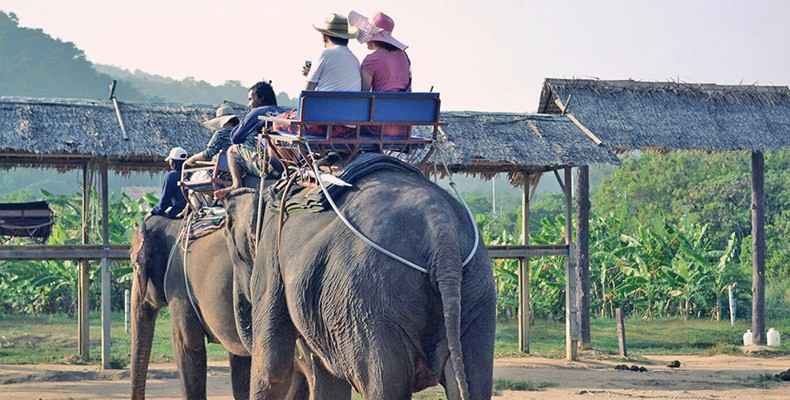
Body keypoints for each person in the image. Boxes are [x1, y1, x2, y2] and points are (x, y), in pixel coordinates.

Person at [214, 81, 288, 199]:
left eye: (250, 99)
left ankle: (236, 184)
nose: (249, 104)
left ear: (261, 98)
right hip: (290, 163)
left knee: (232, 150)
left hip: (271, 165)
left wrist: (246, 120)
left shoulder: (257, 112)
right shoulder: (285, 111)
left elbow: (235, 138)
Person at [349, 11, 411, 92]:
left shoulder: (371, 60)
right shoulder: (404, 56)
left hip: (380, 103)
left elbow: (364, 91)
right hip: (405, 103)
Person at [304, 13, 361, 92]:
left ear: (325, 37)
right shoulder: (355, 60)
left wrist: (309, 76)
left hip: (324, 104)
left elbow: (308, 90)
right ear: (347, 38)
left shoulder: (325, 54)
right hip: (350, 104)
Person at [184, 103, 239, 167]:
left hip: (224, 170)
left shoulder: (221, 134)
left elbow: (208, 154)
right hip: (241, 168)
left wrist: (192, 158)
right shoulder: (242, 132)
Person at [151, 147, 188, 218]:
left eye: (170, 161)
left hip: (178, 211)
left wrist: (156, 210)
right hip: (193, 210)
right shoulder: (192, 173)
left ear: (173, 162)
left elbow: (165, 200)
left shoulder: (171, 176)